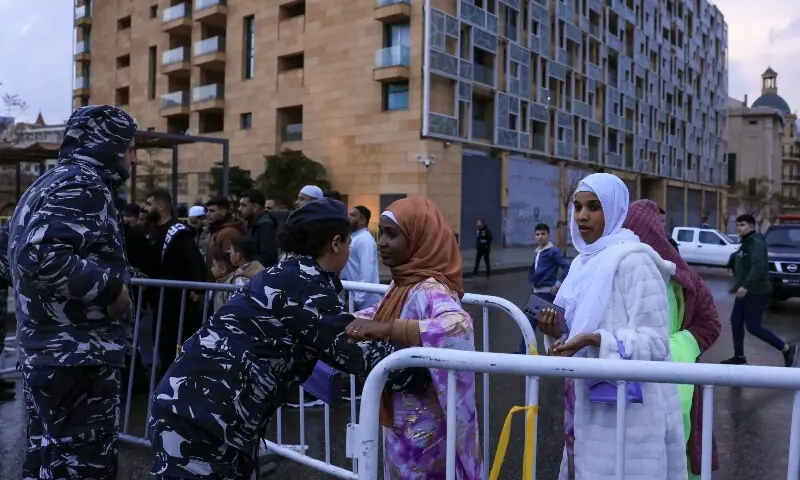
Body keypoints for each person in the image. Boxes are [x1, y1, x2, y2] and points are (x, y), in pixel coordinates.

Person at [149, 198, 429, 479]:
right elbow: (355, 351)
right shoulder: (303, 287)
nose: (348, 249)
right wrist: (430, 372)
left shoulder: (290, 274)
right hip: (199, 418)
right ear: (335, 243)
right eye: (347, 243)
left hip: (205, 413)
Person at [0, 105, 136, 479]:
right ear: (108, 145)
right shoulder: (83, 183)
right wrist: (111, 290)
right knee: (83, 465)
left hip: (48, 353)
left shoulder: (44, 184)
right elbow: (38, 255)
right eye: (129, 147)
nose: (133, 157)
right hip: (77, 356)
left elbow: (8, 254)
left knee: (47, 459)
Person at [538, 173, 686, 479]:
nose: (582, 215)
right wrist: (556, 332)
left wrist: (598, 341)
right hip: (585, 405)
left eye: (593, 206)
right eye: (577, 207)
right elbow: (575, 330)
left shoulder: (635, 261)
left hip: (629, 419)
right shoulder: (582, 264)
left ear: (615, 209)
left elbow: (656, 344)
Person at [345, 196, 483, 479]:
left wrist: (389, 329)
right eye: (381, 233)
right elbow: (381, 311)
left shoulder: (431, 286)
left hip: (425, 427)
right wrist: (347, 321)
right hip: (402, 419)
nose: (382, 242)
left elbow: (458, 326)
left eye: (392, 235)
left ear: (421, 238)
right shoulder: (403, 281)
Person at [624, 199, 722, 479]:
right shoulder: (612, 272)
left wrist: (674, 349)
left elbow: (710, 324)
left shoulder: (685, 279)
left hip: (677, 387)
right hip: (628, 385)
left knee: (676, 456)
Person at [143, 188, 209, 376]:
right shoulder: (155, 231)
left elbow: (194, 260)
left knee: (172, 341)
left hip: (175, 299)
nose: (146, 209)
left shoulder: (177, 232)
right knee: (162, 340)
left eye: (149, 204)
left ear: (161, 206)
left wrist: (198, 288)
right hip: (160, 298)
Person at [721, 214, 798, 366]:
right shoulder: (746, 242)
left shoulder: (756, 242)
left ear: (751, 227)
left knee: (753, 327)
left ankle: (787, 349)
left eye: (742, 225)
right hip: (745, 289)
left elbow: (758, 266)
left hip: (756, 290)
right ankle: (739, 357)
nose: (739, 228)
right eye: (737, 225)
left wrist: (745, 286)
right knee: (736, 321)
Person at [516, 222, 571, 353]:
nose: (540, 237)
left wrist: (558, 284)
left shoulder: (552, 252)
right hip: (536, 293)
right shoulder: (539, 251)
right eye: (537, 234)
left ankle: (562, 349)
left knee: (551, 325)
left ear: (548, 235)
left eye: (543, 234)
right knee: (528, 324)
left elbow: (567, 266)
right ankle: (524, 351)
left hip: (546, 293)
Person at [341, 205, 381, 310]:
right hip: (355, 298)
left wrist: (358, 299)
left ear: (362, 220)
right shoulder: (355, 238)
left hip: (365, 302)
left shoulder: (365, 240)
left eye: (353, 215)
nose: (348, 217)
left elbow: (367, 271)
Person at [213, 237, 265, 311]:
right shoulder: (261, 270)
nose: (229, 255)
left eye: (231, 252)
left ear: (238, 256)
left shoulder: (241, 278)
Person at [238, 189, 288, 268]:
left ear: (255, 207)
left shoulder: (266, 225)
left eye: (243, 205)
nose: (239, 209)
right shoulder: (254, 224)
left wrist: (245, 256)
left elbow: (268, 258)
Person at [205, 195, 246, 269]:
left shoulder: (229, 232)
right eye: (207, 211)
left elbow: (230, 263)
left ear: (223, 212)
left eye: (212, 211)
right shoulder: (218, 229)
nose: (207, 214)